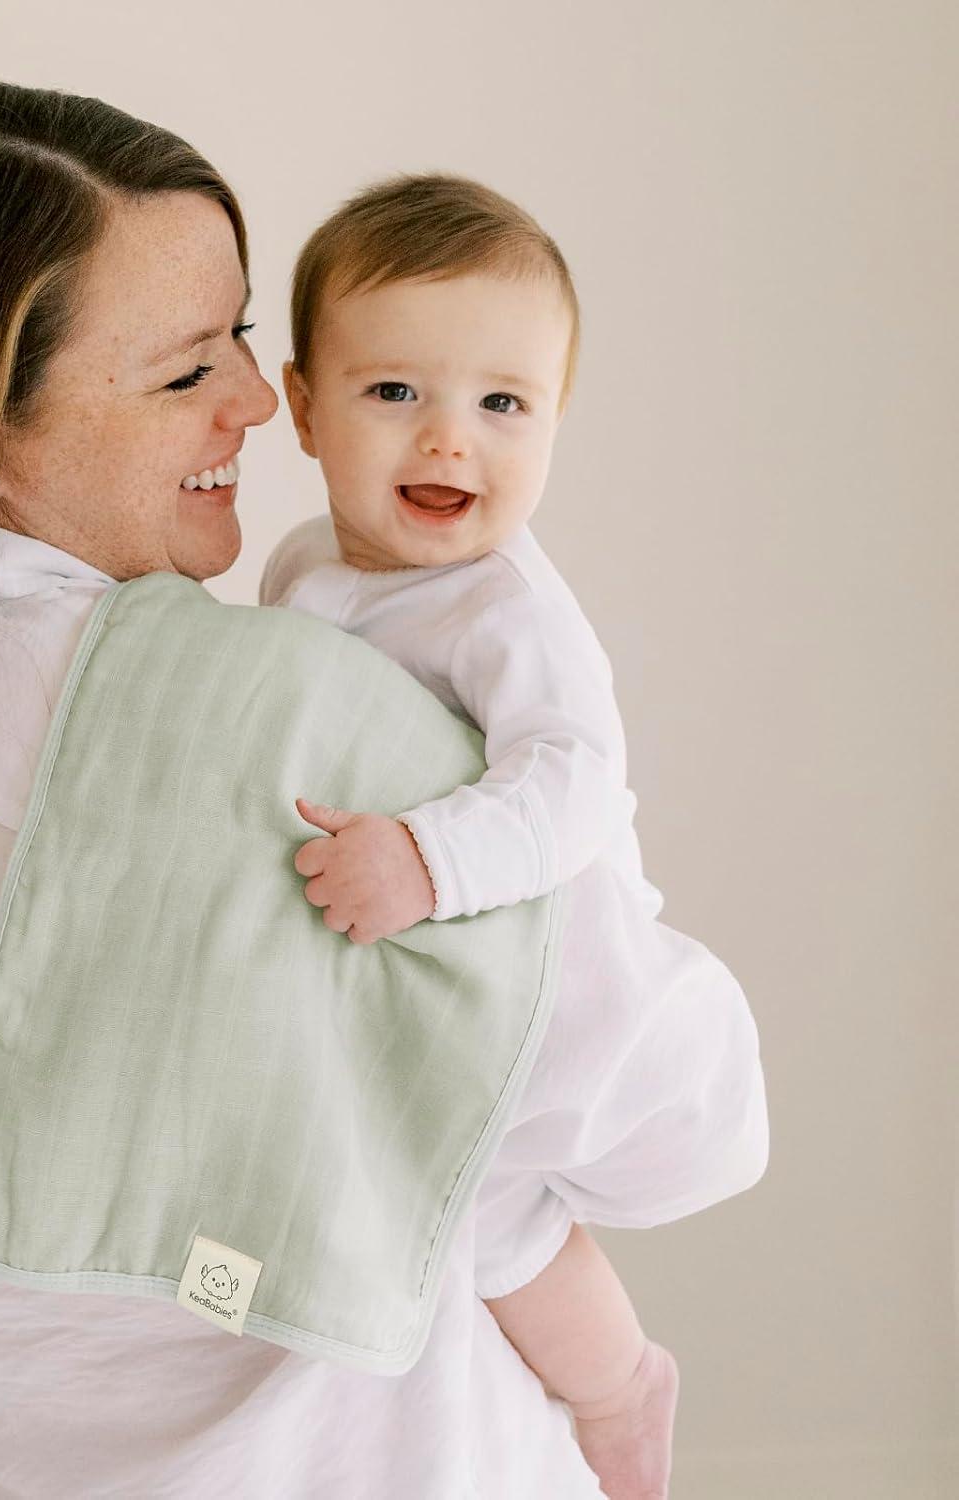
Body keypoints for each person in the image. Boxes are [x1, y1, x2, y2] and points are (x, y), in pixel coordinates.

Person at [0, 76, 768, 1498]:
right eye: (187, 369)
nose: (263, 404)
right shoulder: (281, 736)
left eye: (244, 338)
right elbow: (684, 1127)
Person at [260, 173, 688, 1497]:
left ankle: (618, 1386)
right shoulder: (302, 568)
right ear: (303, 409)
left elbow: (576, 781)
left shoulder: (504, 610)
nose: (451, 440)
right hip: (388, 949)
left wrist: (428, 859)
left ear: (556, 417)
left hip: (527, 949)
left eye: (504, 404)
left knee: (491, 1203)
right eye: (395, 391)